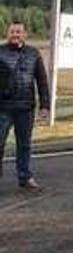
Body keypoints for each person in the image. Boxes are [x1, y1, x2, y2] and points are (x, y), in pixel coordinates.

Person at [0, 20, 50, 191]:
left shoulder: (33, 53)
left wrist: (45, 105)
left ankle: (25, 178)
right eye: (12, 31)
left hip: (26, 108)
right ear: (8, 33)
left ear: (24, 34)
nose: (15, 34)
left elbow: (42, 80)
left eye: (18, 32)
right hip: (3, 108)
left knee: (24, 144)